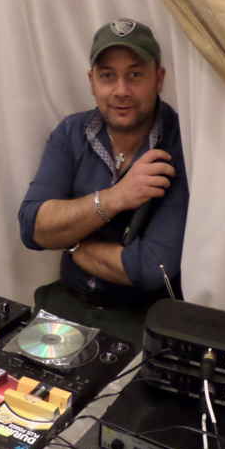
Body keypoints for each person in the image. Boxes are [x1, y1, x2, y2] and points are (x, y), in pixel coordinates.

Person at [18, 18, 188, 348]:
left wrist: (71, 241)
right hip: (68, 302)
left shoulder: (181, 143)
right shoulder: (70, 132)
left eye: (135, 75)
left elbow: (152, 268)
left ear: (159, 79)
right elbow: (32, 228)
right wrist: (115, 198)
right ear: (92, 81)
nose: (121, 90)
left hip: (145, 319)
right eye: (108, 75)